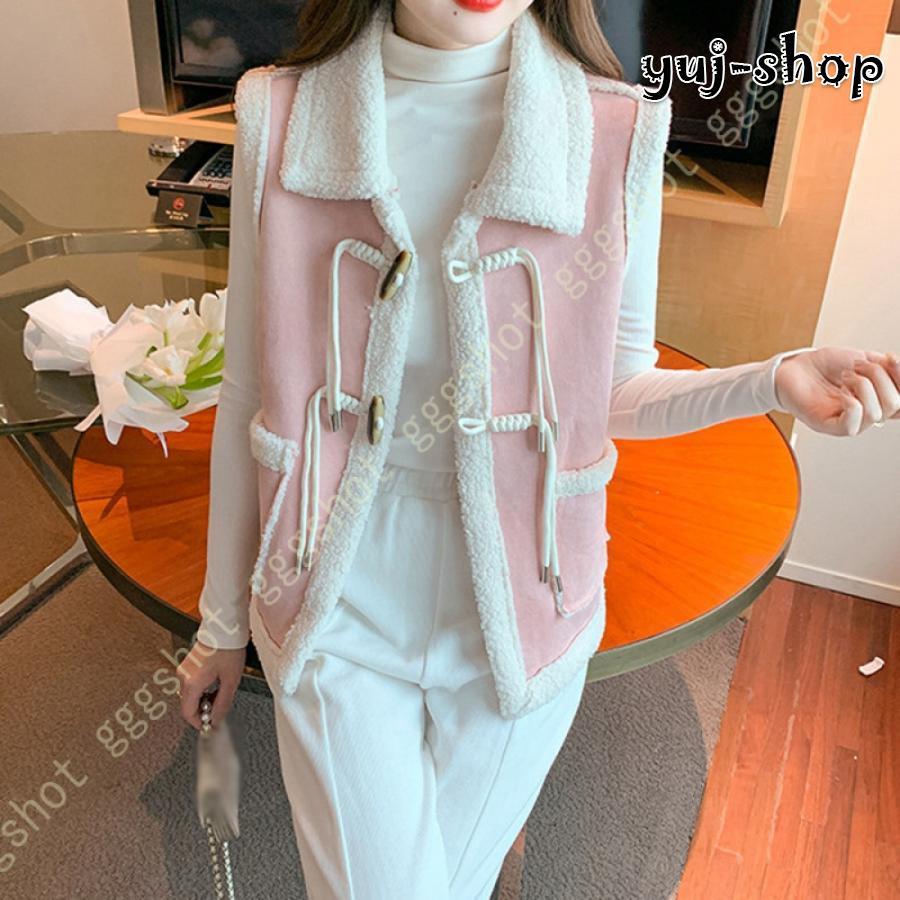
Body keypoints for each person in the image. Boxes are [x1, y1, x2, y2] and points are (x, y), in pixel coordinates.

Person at [175, 1, 899, 897]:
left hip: (528, 605)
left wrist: (774, 379)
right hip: (334, 593)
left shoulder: (613, 130)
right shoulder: (280, 117)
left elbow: (612, 395)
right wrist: (222, 625)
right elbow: (251, 393)